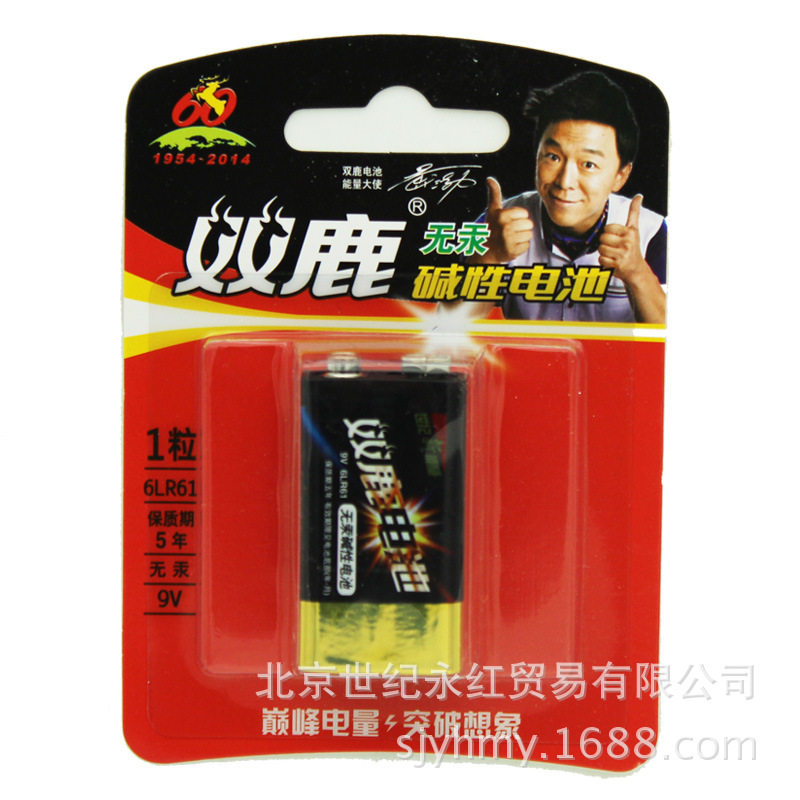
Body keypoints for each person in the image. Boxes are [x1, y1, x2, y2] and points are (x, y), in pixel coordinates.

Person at [481, 71, 666, 324]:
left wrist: (637, 273)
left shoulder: (652, 233)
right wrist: (489, 258)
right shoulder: (499, 224)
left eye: (588, 164)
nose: (565, 182)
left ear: (620, 176)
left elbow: (673, 338)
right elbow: (451, 326)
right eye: (553, 157)